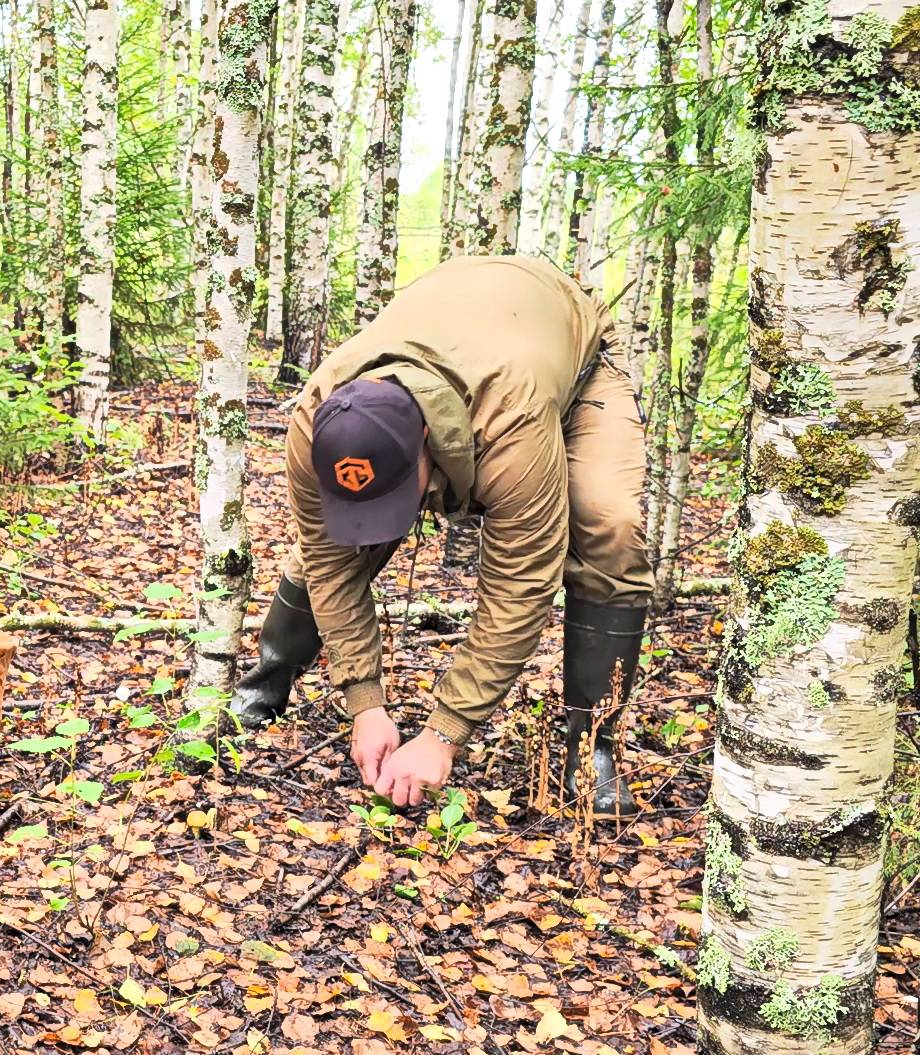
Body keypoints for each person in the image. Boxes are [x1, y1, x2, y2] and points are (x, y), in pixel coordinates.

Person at [233, 255, 653, 813]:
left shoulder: (512, 423)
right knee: (325, 549)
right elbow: (330, 559)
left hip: (569, 364)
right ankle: (267, 681)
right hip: (468, 332)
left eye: (399, 496)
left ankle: (596, 747)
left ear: (428, 442)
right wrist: (365, 703)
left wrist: (443, 734)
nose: (387, 521)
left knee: (609, 526)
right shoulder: (317, 419)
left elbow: (520, 584)